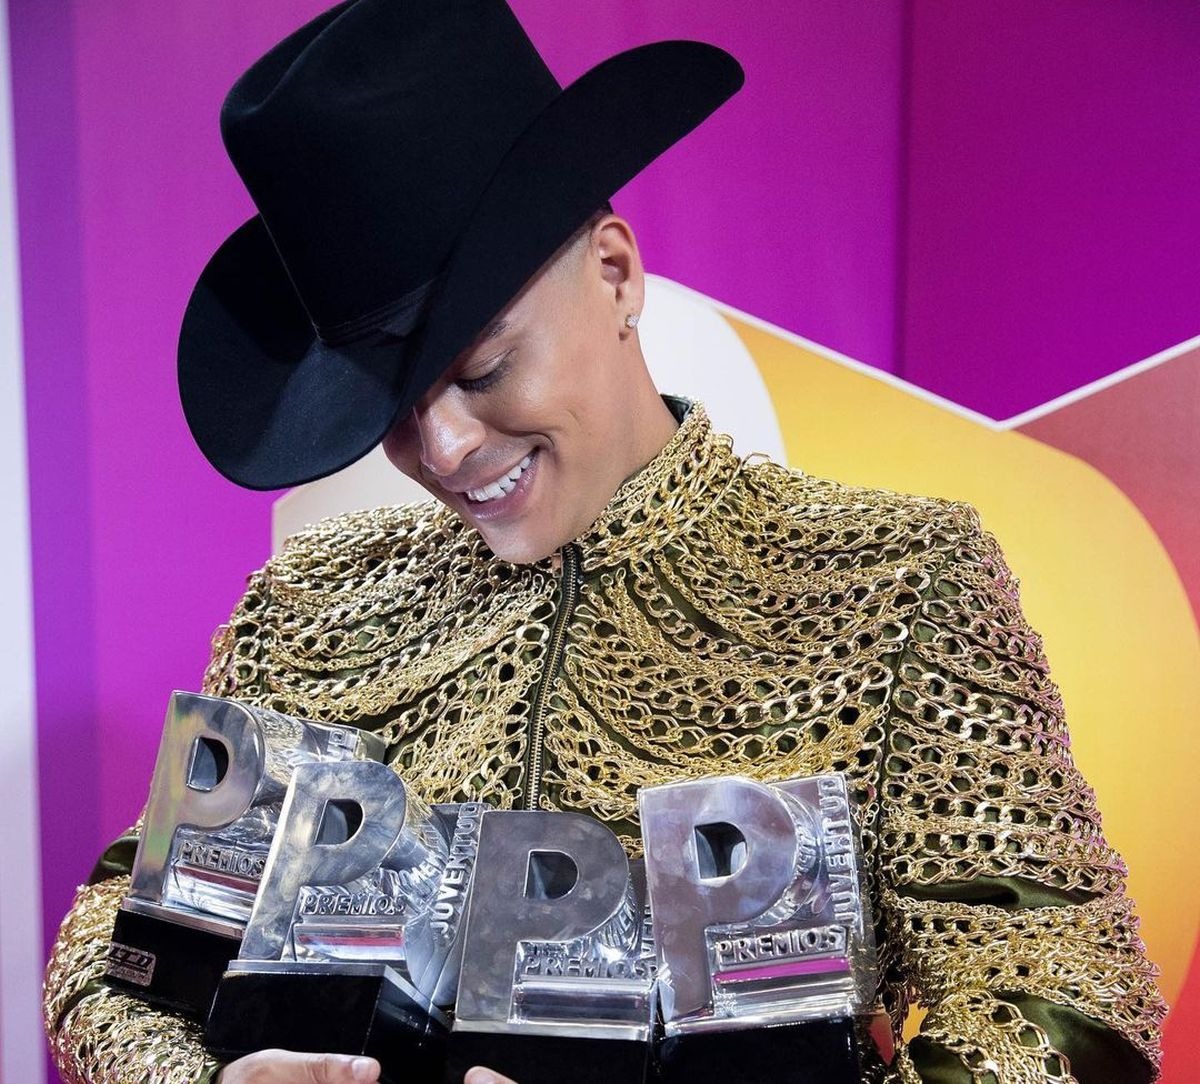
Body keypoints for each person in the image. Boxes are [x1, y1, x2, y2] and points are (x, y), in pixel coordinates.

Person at [43, 2, 1165, 1083]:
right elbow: (114, 955)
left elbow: (1064, 1007)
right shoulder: (311, 607)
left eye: (484, 369)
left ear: (617, 273)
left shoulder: (896, 586)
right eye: (389, 405)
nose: (444, 446)